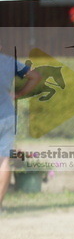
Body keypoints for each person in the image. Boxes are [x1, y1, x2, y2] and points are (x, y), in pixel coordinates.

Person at [0, 45, 42, 212]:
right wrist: (19, 94)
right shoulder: (10, 62)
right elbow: (36, 76)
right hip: (8, 116)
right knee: (4, 162)